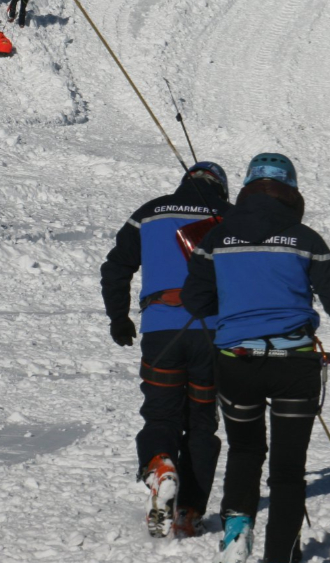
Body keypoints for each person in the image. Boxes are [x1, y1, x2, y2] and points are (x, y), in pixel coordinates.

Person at [182, 153, 330, 563]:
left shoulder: (217, 238)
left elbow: (194, 299)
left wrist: (233, 299)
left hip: (236, 362)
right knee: (288, 469)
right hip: (294, 364)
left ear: (247, 187)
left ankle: (237, 532)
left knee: (244, 450)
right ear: (292, 191)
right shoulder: (305, 238)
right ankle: (281, 556)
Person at [99, 161, 231, 538]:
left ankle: (160, 467)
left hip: (161, 331)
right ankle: (188, 513)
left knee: (161, 416)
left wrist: (119, 317)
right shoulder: (231, 217)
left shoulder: (150, 212)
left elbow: (115, 267)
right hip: (212, 332)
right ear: (221, 188)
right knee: (202, 424)